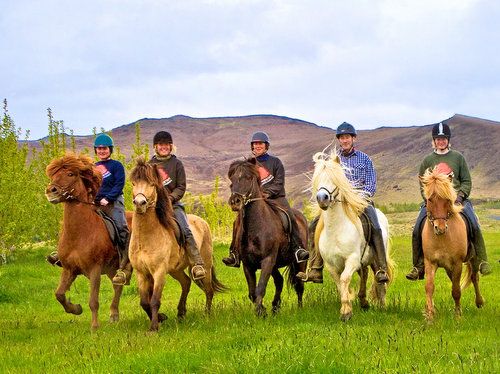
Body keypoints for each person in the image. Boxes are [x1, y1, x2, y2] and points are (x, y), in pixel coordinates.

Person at [297, 122, 389, 284]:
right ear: (339, 140)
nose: (345, 140)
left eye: (347, 137)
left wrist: (356, 197)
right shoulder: (333, 162)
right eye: (342, 138)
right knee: (313, 225)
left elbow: (370, 185)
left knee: (375, 226)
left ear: (353, 138)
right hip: (337, 202)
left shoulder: (364, 159)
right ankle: (315, 267)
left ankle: (381, 268)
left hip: (361, 201)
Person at [406, 122, 491, 280]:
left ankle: (481, 261)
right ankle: (418, 267)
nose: (441, 141)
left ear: (448, 140)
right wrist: (429, 200)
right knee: (417, 227)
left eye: (444, 138)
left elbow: (466, 181)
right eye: (438, 139)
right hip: (434, 203)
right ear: (434, 140)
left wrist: (459, 197)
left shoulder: (458, 158)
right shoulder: (427, 161)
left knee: (473, 223)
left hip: (458, 201)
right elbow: (423, 185)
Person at [47, 133, 132, 286]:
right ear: (95, 150)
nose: (102, 151)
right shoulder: (92, 168)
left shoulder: (116, 165)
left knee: (122, 227)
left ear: (110, 149)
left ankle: (125, 263)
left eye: (104, 148)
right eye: (99, 149)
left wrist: (109, 198)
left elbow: (119, 184)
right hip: (95, 202)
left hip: (114, 202)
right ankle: (63, 253)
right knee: (75, 223)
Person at [222, 131, 309, 267]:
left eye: (260, 144)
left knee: (290, 216)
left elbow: (279, 182)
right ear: (252, 146)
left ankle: (298, 248)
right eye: (255, 144)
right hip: (254, 201)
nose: (258, 146)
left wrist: (267, 193)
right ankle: (234, 253)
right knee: (237, 222)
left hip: (276, 198)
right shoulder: (248, 165)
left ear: (266, 146)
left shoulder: (275, 162)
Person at [149, 131, 206, 280]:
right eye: (161, 145)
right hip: (152, 206)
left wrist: (170, 198)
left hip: (173, 205)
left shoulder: (176, 164)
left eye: (167, 145)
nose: (164, 147)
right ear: (156, 146)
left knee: (185, 229)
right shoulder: (149, 165)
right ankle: (128, 265)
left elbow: (181, 186)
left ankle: (197, 263)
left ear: (171, 146)